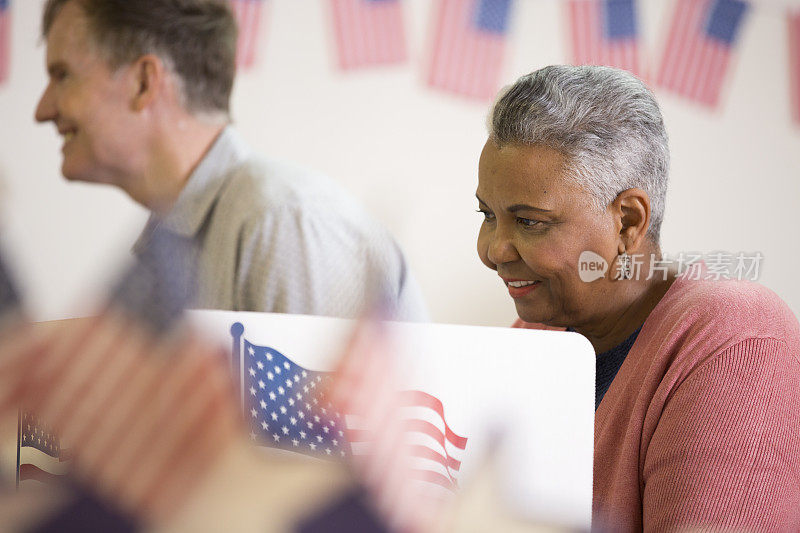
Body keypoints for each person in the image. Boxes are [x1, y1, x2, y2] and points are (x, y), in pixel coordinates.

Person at [476, 65, 800, 530]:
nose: (491, 251)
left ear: (628, 222)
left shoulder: (737, 337)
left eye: (529, 222)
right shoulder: (534, 337)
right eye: (487, 214)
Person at [34, 0, 427, 321]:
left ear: (143, 82)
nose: (42, 109)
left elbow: (331, 417)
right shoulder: (162, 246)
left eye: (62, 75)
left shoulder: (283, 220)